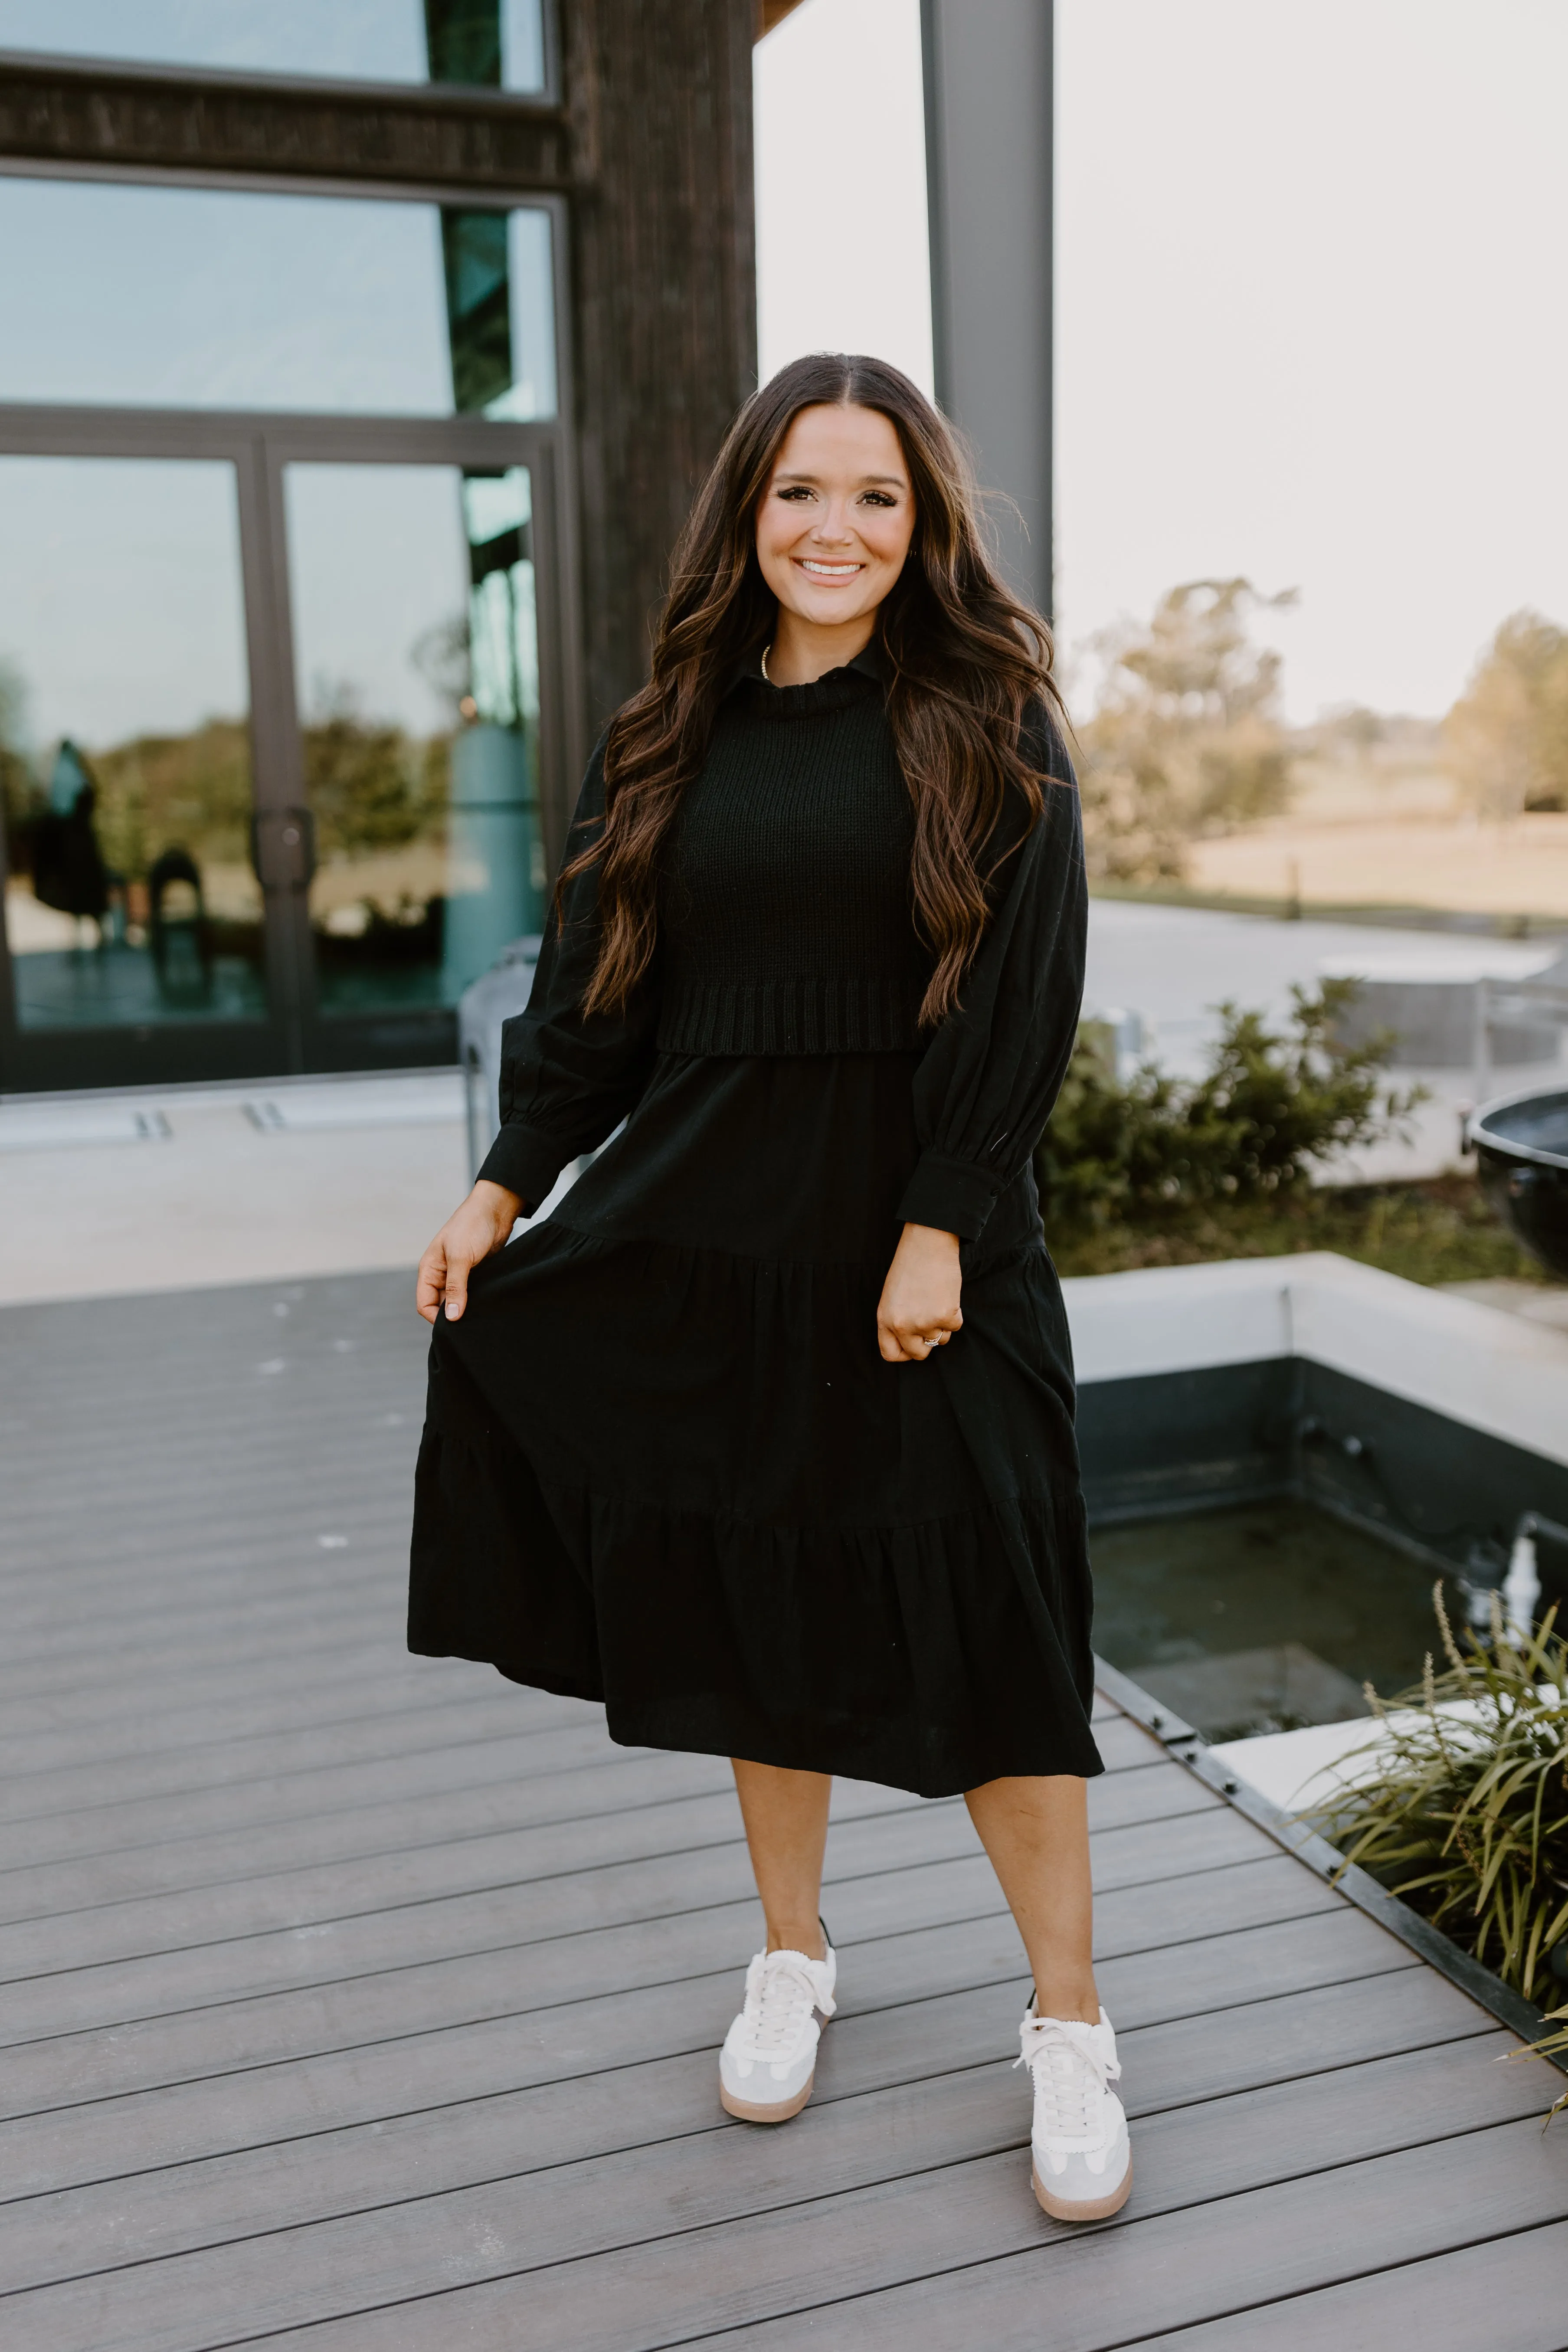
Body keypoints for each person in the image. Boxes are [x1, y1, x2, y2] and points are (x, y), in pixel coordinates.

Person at [410, 353, 1130, 2222]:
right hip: (711, 1234)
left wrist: (945, 1216)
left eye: (876, 497)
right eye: (801, 491)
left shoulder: (989, 714)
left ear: (925, 523)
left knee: (999, 1613)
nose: (836, 528)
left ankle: (1069, 2017)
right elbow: (592, 999)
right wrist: (501, 1185)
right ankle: (793, 1952)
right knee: (762, 1600)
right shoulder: (668, 730)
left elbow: (1027, 984)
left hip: (927, 1249)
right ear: (749, 510)